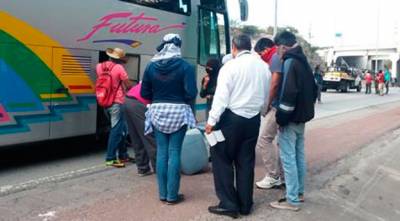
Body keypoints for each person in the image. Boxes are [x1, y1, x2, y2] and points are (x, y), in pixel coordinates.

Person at [205, 34, 271, 218]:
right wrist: (262, 111)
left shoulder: (230, 66)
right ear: (249, 47)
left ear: (234, 47)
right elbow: (266, 95)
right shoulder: (263, 67)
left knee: (221, 158)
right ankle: (245, 205)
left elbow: (221, 97)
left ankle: (228, 204)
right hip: (252, 121)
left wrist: (211, 121)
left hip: (231, 119)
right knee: (245, 161)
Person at [141, 33, 197, 205]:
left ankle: (162, 194)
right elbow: (191, 93)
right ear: (178, 46)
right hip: (179, 111)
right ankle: (172, 196)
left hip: (157, 111)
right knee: (174, 152)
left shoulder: (151, 66)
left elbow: (144, 93)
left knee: (162, 152)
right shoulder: (186, 67)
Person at [269, 31, 316, 211]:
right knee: (299, 156)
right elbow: (313, 90)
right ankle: (299, 193)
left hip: (290, 120)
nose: (277, 54)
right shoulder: (303, 61)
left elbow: (288, 95)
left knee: (288, 159)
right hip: (302, 119)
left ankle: (292, 200)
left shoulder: (290, 62)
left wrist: (281, 119)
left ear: (282, 46)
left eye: (277, 50)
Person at [253, 37, 285, 190]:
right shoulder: (280, 57)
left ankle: (273, 176)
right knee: (283, 142)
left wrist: (266, 106)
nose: (260, 57)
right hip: (285, 106)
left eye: (260, 53)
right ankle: (283, 176)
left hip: (277, 106)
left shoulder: (274, 57)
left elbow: (275, 83)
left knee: (264, 139)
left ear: (266, 48)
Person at [96, 47, 133, 168]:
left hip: (104, 102)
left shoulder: (99, 66)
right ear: (120, 59)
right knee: (116, 131)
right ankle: (110, 158)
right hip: (117, 102)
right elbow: (128, 85)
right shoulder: (119, 68)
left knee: (121, 129)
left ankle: (123, 155)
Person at [124, 82, 156, 176]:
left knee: (136, 137)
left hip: (127, 99)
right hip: (139, 102)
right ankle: (160, 169)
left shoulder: (155, 75)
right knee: (150, 137)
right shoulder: (166, 83)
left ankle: (143, 168)